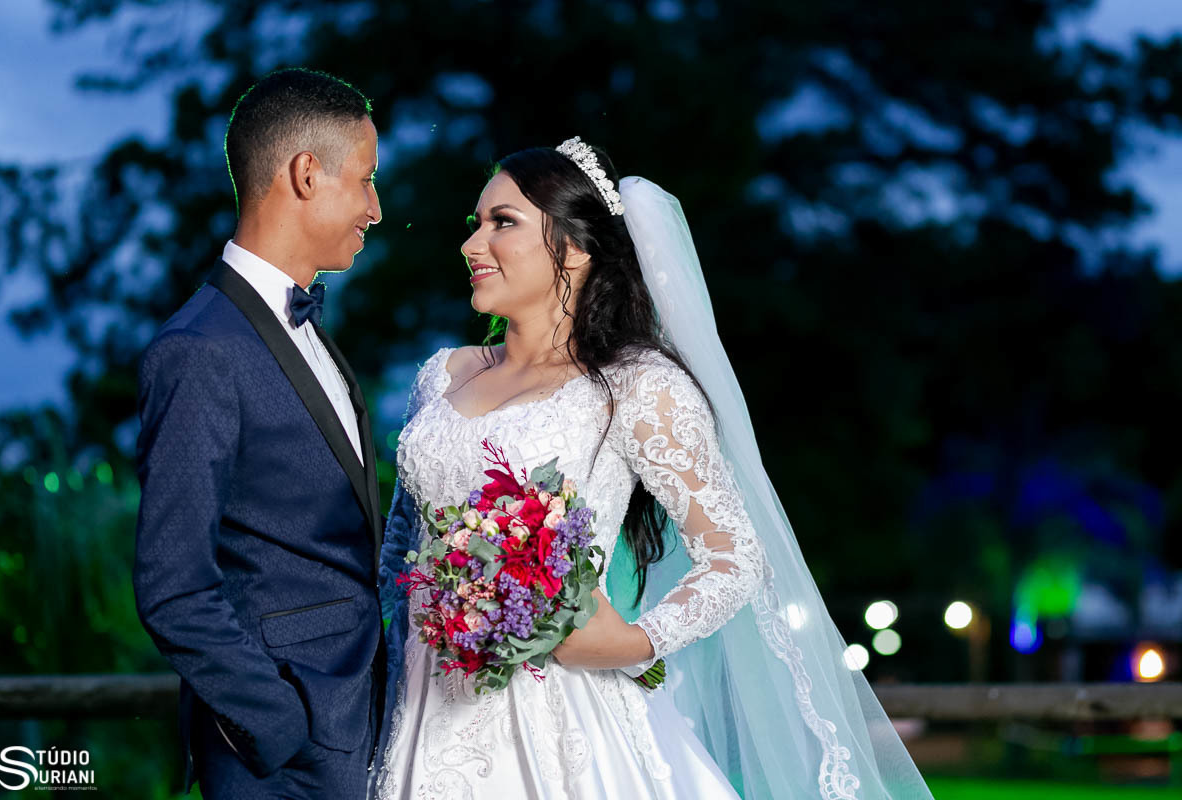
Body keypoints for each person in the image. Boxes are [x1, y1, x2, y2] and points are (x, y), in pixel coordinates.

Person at [374, 138, 935, 799]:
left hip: (556, 718)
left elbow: (735, 555)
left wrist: (638, 641)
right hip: (418, 704)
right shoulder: (443, 375)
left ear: (576, 249)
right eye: (475, 225)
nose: (472, 246)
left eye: (503, 223)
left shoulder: (635, 386)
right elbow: (398, 552)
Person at [133, 68, 386, 799]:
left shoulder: (306, 332)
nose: (375, 207)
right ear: (308, 174)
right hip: (281, 763)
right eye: (366, 180)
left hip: (359, 733)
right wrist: (279, 726)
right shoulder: (200, 350)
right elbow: (173, 584)